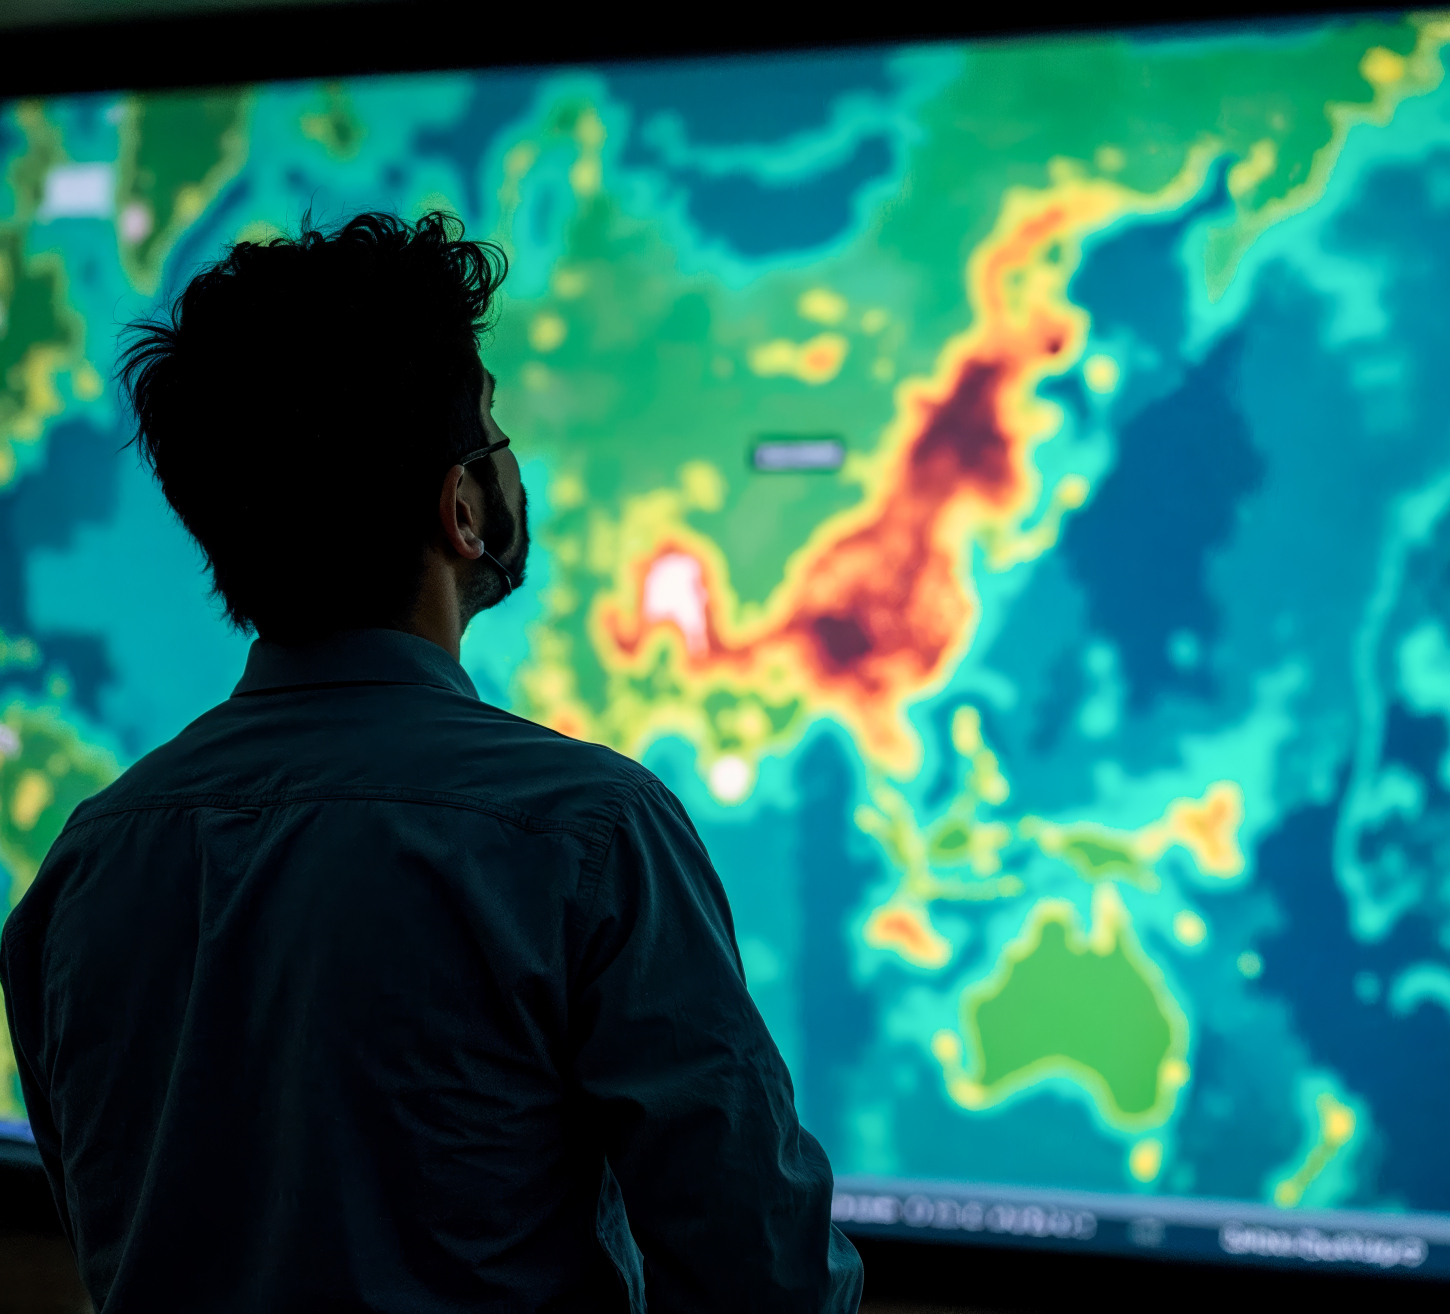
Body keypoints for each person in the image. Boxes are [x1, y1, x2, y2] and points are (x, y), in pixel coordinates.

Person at [0, 212, 862, 1313]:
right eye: (493, 429)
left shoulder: (82, 871)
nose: (508, 461)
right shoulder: (586, 836)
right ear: (462, 510)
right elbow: (766, 1282)